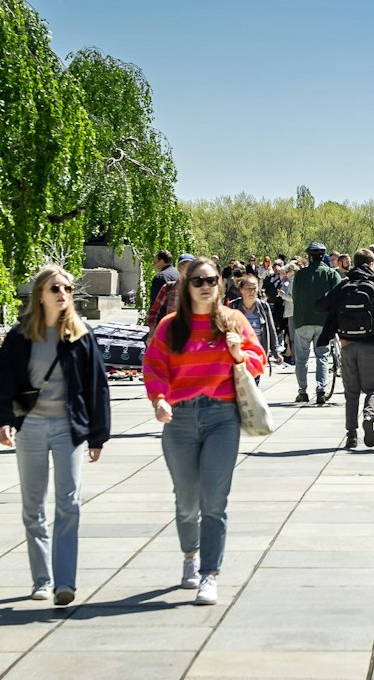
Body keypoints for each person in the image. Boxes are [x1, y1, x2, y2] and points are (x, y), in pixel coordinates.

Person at [0, 263, 112, 605]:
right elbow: (0, 382)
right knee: (33, 507)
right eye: (55, 289)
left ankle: (64, 583)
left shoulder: (80, 335)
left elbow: (97, 386)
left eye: (68, 289)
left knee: (69, 503)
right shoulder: (20, 336)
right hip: (31, 428)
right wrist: (2, 421)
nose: (63, 294)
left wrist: (98, 435)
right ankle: (41, 579)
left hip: (68, 429)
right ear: (40, 294)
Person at [143, 257, 267, 605]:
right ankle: (190, 555)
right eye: (198, 280)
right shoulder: (171, 327)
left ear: (220, 284)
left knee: (214, 502)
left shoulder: (233, 321)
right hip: (179, 420)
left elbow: (259, 359)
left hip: (220, 418)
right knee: (186, 502)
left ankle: (209, 575)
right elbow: (153, 366)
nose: (205, 286)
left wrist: (238, 352)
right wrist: (159, 399)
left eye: (211, 279)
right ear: (188, 286)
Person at [318, 248, 374, 449]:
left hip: (347, 345)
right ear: (372, 264)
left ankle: (351, 435)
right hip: (371, 345)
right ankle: (369, 417)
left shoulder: (344, 286)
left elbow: (320, 306)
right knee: (373, 389)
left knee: (351, 392)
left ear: (354, 263)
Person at [289, 242, 341, 405]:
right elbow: (339, 295)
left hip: (302, 320)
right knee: (322, 356)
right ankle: (321, 390)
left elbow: (294, 296)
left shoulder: (300, 275)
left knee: (302, 359)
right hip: (323, 321)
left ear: (310, 257)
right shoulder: (331, 274)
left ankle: (302, 391)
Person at [237, 273, 283, 380]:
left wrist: (276, 352)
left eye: (254, 288)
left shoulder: (263, 306)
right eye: (248, 288)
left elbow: (271, 330)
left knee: (254, 386)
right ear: (241, 290)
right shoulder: (234, 307)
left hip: (257, 356)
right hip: (239, 355)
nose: (252, 291)